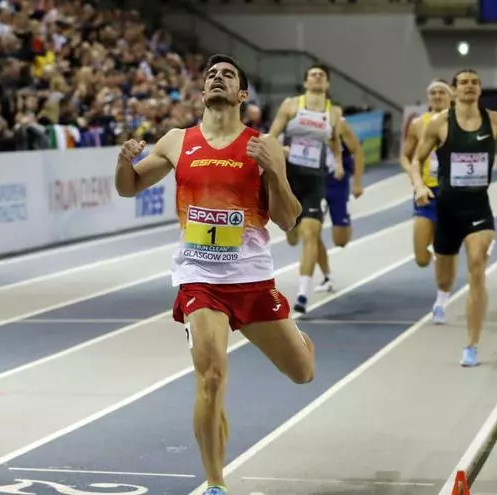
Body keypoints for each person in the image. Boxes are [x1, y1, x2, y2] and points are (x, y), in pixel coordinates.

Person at [114, 54, 316, 495]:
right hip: (200, 278)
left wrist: (275, 171)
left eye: (227, 75)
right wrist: (123, 161)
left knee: (303, 372)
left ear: (242, 94)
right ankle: (215, 483)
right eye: (211, 75)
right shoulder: (176, 141)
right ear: (203, 91)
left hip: (252, 278)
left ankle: (298, 338)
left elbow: (287, 219)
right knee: (211, 376)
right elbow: (129, 187)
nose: (217, 78)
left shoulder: (262, 145)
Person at [409, 68, 497, 367]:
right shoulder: (439, 123)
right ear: (455, 90)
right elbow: (416, 160)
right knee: (444, 276)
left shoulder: (494, 120)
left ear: (480, 89)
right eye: (463, 83)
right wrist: (420, 185)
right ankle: (442, 295)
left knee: (477, 266)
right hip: (446, 209)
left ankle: (471, 345)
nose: (469, 86)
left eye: (475, 82)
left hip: (478, 208)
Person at [268, 63, 345, 313]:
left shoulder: (333, 112)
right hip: (289, 179)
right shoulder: (291, 105)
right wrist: (280, 149)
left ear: (328, 84)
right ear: (305, 82)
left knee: (311, 232)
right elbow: (271, 136)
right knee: (293, 236)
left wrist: (339, 163)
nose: (317, 77)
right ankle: (293, 230)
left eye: (322, 75)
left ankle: (303, 293)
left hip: (315, 179)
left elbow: (334, 141)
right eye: (313, 74)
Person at [400, 78, 453, 323]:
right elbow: (406, 157)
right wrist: (416, 181)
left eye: (442, 92)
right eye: (433, 93)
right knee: (422, 258)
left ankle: (441, 301)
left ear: (451, 96)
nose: (438, 96)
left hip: (452, 194)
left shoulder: (460, 122)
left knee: (445, 252)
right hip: (426, 193)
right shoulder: (418, 124)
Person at [314, 111, 365, 293]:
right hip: (313, 182)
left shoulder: (339, 123)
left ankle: (345, 221)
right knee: (311, 232)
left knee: (340, 240)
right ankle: (327, 275)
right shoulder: (299, 121)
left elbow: (357, 151)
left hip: (336, 181)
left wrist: (357, 183)